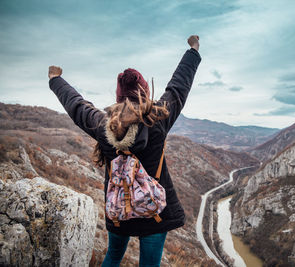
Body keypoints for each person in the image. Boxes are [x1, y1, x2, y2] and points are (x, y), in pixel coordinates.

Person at [48, 35, 201, 267]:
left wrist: (55, 79)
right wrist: (193, 51)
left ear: (118, 96)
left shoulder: (102, 125)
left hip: (119, 210)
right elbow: (179, 86)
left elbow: (76, 105)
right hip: (155, 214)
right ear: (145, 92)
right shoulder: (157, 119)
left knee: (113, 256)